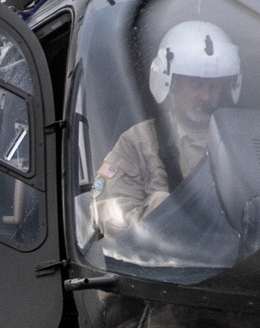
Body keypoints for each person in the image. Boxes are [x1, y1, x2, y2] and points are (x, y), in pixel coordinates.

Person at [91, 19, 241, 236]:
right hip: (162, 261)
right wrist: (158, 214)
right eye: (196, 85)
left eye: (214, 86)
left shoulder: (240, 141)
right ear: (170, 83)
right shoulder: (139, 141)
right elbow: (107, 212)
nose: (206, 96)